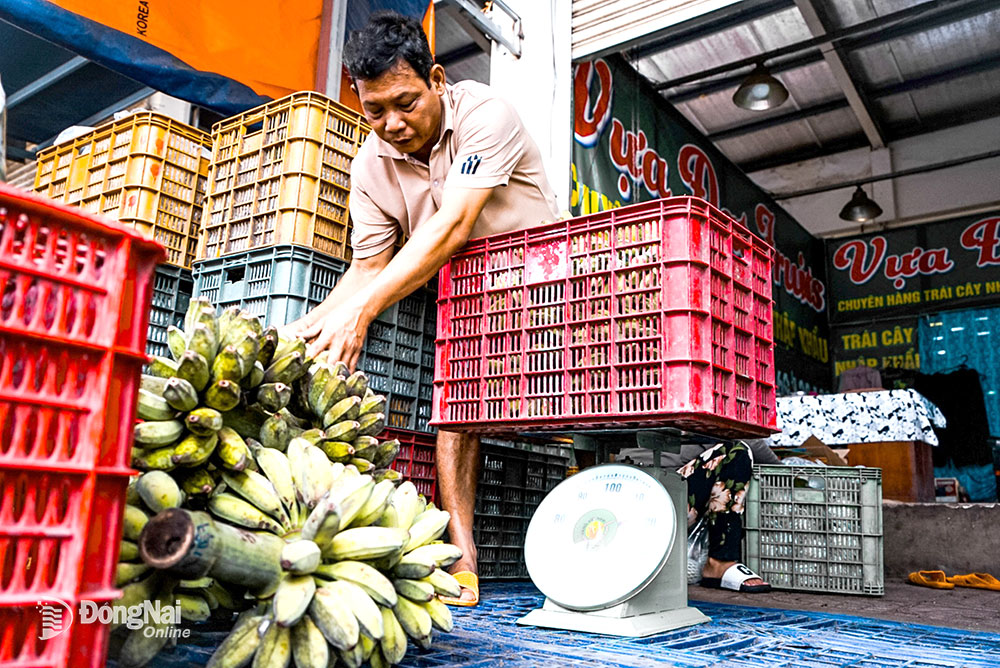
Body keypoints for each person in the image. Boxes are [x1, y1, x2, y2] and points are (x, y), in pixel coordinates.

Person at [283, 10, 559, 607]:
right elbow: (367, 268)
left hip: (548, 291)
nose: (392, 123)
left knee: (560, 414)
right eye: (374, 110)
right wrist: (314, 327)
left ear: (436, 79)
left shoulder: (486, 115)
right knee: (455, 398)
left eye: (405, 103)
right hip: (463, 299)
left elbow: (454, 224)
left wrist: (365, 311)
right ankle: (462, 555)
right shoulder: (369, 166)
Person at [618, 440, 774, 592]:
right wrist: (789, 473)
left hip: (618, 491)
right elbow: (748, 437)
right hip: (656, 500)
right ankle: (719, 562)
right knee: (736, 451)